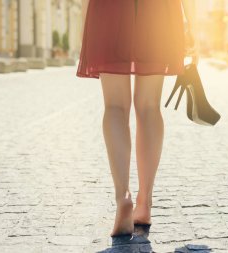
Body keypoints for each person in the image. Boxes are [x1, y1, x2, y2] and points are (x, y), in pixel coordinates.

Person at [76, 0, 199, 237]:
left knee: (114, 106)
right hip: (158, 11)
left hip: (108, 9)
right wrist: (192, 25)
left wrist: (86, 21)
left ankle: (123, 197)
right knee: (149, 106)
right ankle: (145, 202)